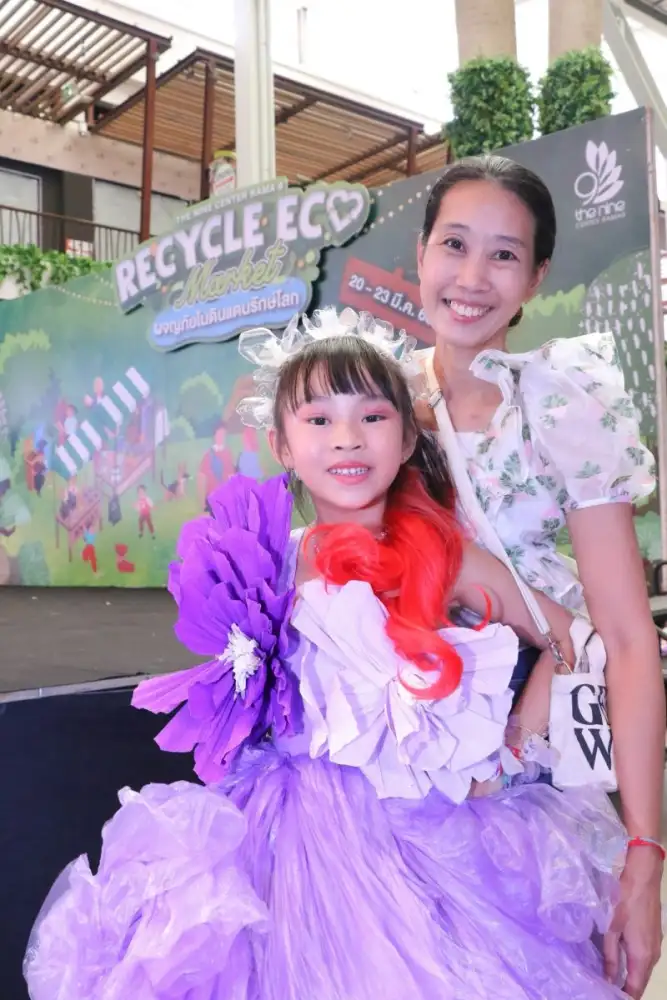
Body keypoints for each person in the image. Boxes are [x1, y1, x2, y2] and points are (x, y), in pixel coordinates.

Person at [25, 311, 639, 999]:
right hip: (288, 841)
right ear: (281, 445)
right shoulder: (268, 561)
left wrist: (513, 750)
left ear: (407, 438)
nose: (346, 438)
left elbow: (574, 639)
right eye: (318, 419)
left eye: (372, 417)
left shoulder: (450, 558)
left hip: (430, 840)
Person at [414, 154, 665, 998]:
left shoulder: (560, 403)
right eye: (454, 244)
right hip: (400, 770)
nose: (471, 278)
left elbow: (625, 638)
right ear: (421, 254)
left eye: (504, 255)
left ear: (535, 277)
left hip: (530, 770)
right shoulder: (371, 400)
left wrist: (643, 855)